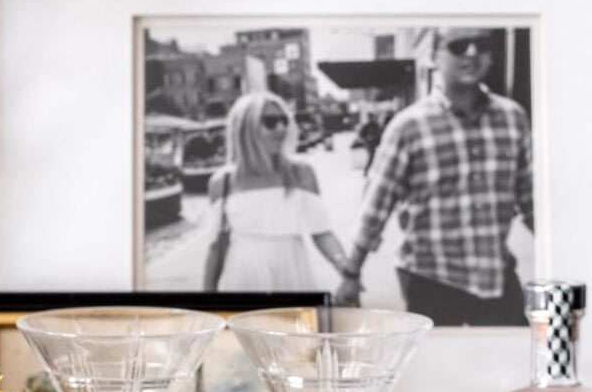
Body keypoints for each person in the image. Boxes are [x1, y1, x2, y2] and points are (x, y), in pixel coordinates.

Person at [335, 28, 534, 325]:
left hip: (496, 276)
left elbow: (532, 200)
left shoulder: (512, 118)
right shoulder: (408, 126)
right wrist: (351, 274)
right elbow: (375, 207)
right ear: (433, 56)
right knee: (437, 355)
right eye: (459, 45)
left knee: (512, 351)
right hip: (430, 281)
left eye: (480, 44)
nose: (471, 53)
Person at [202, 90, 349, 292]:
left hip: (292, 271)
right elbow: (218, 246)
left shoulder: (301, 173)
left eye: (284, 121)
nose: (281, 128)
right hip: (243, 276)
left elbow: (321, 231)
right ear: (245, 128)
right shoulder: (223, 182)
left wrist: (347, 272)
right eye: (270, 122)